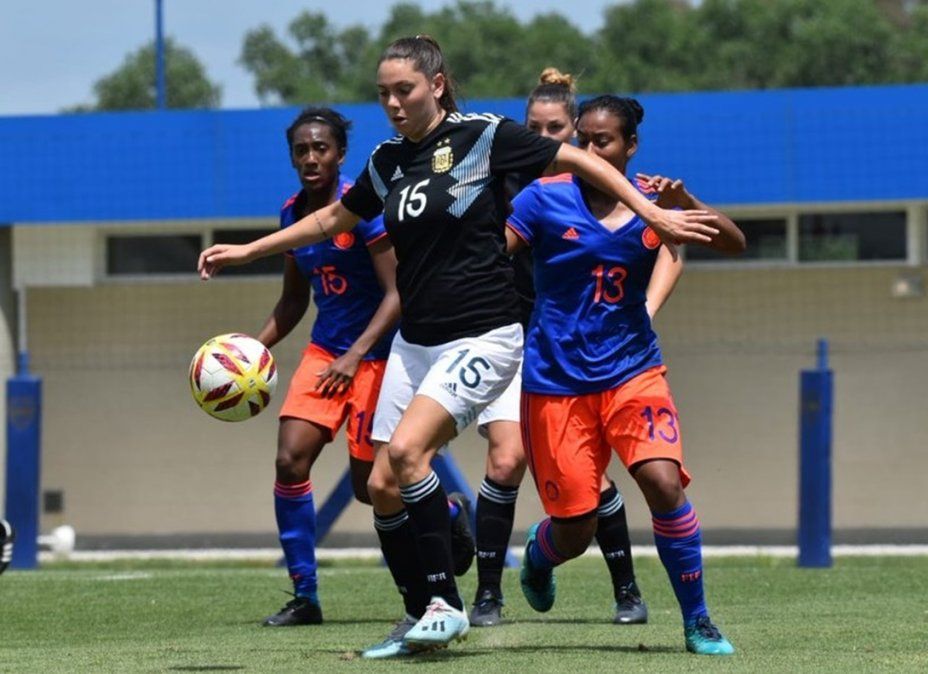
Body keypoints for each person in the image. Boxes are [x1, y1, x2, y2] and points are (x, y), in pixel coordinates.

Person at [198, 36, 724, 656]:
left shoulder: (483, 136)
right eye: (384, 93)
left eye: (405, 90)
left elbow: (582, 162)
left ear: (437, 85)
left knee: (408, 453)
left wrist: (652, 213)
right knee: (381, 487)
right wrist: (250, 250)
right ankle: (417, 613)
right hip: (415, 342)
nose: (393, 103)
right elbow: (333, 219)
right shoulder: (388, 160)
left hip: (484, 334)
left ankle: (446, 606)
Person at [507, 95, 744, 656]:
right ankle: (540, 558)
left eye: (603, 140)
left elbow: (734, 243)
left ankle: (699, 621)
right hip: (556, 384)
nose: (590, 149)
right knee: (576, 528)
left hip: (633, 373)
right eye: (583, 140)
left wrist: (687, 203)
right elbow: (493, 252)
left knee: (663, 483)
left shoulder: (654, 204)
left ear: (630, 145)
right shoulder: (542, 198)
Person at [469, 68, 679, 628]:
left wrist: (647, 308)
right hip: (508, 340)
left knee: (596, 483)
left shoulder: (614, 187)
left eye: (556, 129)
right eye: (533, 130)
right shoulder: (501, 184)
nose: (545, 141)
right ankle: (488, 595)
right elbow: (479, 255)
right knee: (506, 459)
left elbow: (669, 242)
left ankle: (626, 589)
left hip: (585, 354)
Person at [256, 107, 401, 626]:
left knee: (369, 488)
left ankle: (446, 515)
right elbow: (295, 300)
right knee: (289, 461)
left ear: (340, 154)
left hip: (377, 356)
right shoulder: (292, 214)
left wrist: (356, 353)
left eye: (321, 148)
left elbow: (397, 293)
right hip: (325, 355)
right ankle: (305, 596)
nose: (311, 157)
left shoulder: (362, 206)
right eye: (302, 150)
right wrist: (253, 350)